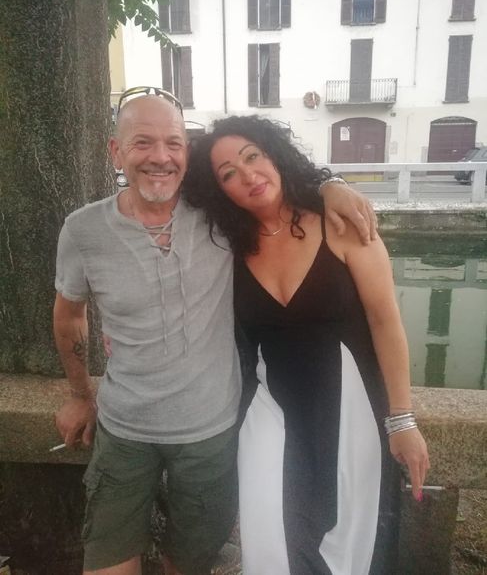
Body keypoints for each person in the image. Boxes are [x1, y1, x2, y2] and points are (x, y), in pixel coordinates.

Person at [54, 89, 378, 575]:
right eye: (142, 143)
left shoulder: (220, 215)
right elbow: (68, 315)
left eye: (173, 143)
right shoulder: (82, 231)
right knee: (107, 565)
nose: (160, 156)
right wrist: (80, 394)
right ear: (116, 152)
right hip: (123, 431)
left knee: (189, 564)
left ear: (186, 154)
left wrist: (331, 185)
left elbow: (274, 190)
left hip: (211, 433)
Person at [183, 115, 430, 575]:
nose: (248, 175)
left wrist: (402, 420)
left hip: (352, 413)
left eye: (253, 156)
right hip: (268, 411)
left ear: (275, 155)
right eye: (228, 174)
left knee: (352, 544)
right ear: (220, 191)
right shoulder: (226, 248)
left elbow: (386, 321)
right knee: (270, 543)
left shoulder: (340, 224)